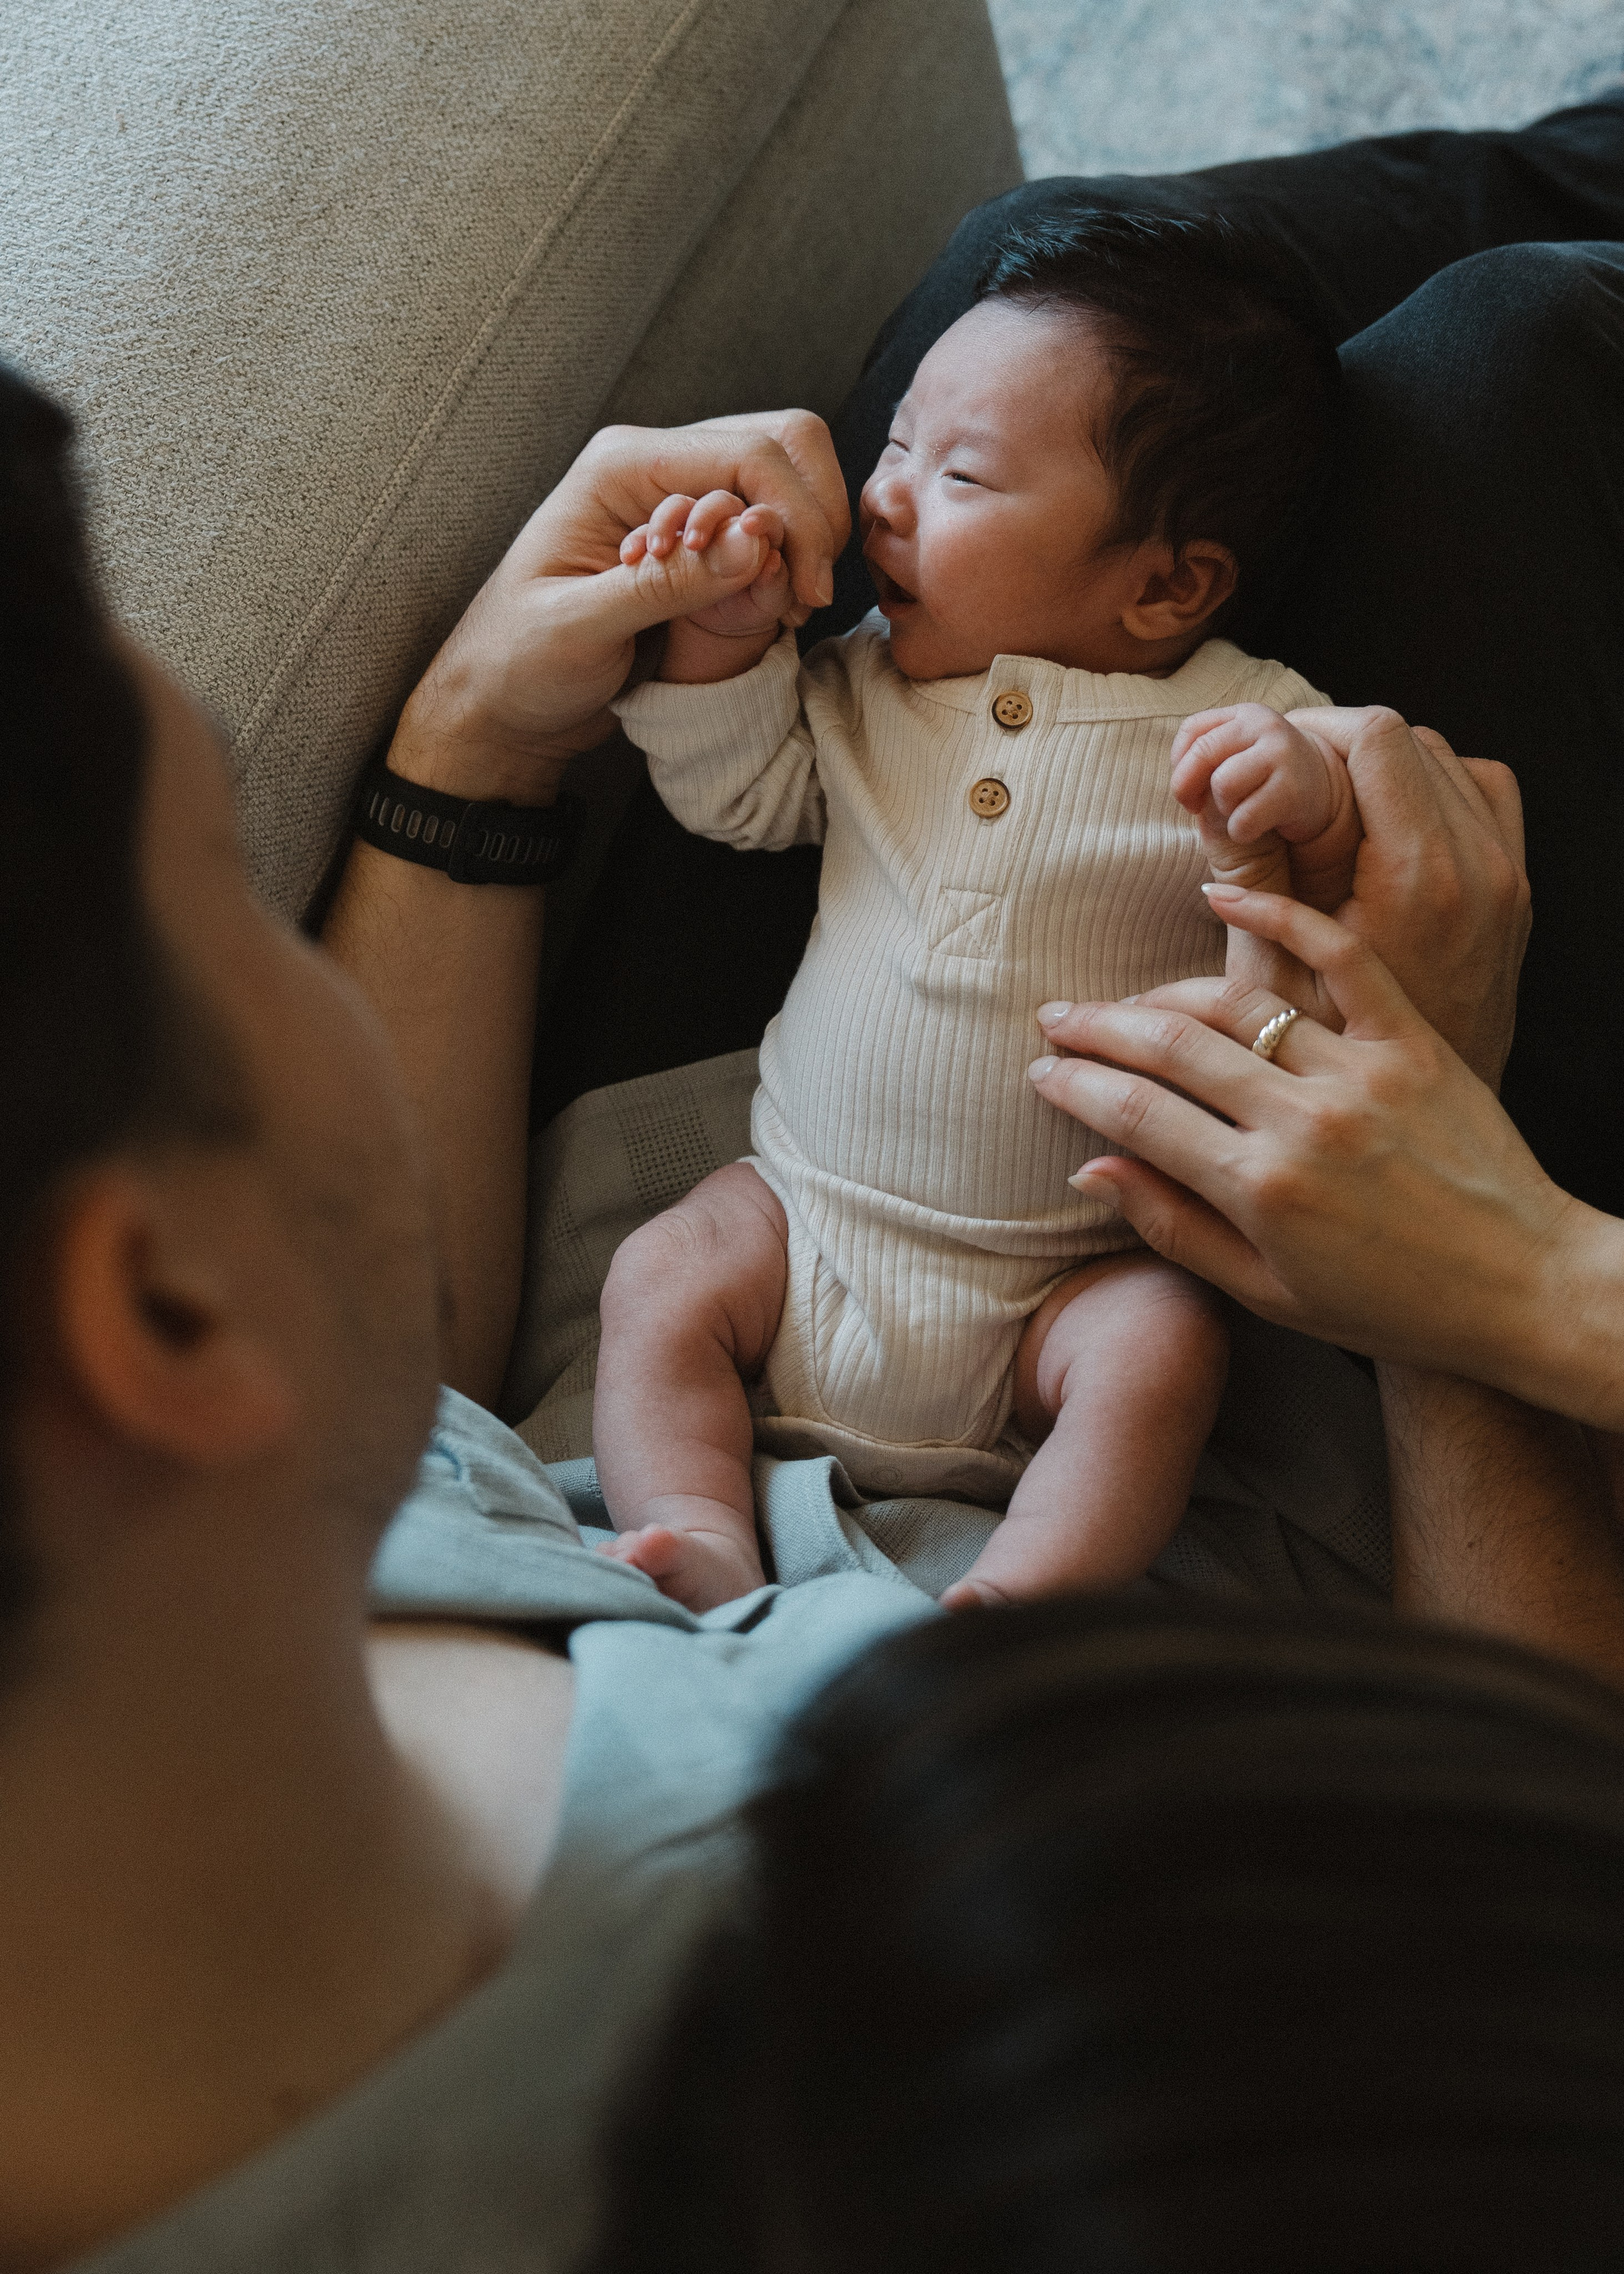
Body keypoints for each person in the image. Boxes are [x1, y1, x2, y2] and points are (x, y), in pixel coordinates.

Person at [3, 84, 1624, 2274]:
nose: (299, 937)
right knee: (1518, 360)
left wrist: (473, 741)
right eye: (230, 888)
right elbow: (1550, 1926)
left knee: (1052, 269)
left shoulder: (199, 1573)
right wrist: (1466, 1237)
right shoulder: (972, 2011)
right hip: (1294, 1371)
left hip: (767, 1211)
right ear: (158, 1311)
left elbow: (419, 1362)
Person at [591, 211, 1350, 1613]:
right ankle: (695, 1528)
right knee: (658, 1269)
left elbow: (1370, 844)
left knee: (1165, 1346)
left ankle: (1013, 1604)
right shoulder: (868, 685)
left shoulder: (1248, 718)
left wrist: (1309, 791)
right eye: (893, 444)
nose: (883, 497)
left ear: (1166, 584)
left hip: (1058, 1292)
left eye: (960, 473)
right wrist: (716, 640)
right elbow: (738, 796)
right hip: (799, 1226)